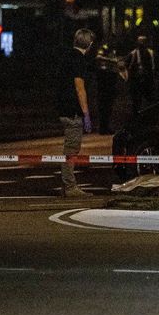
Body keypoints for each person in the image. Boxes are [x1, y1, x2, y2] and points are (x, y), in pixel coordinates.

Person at [55, 28, 95, 197]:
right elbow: (80, 89)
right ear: (90, 44)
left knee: (69, 149)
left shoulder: (66, 57)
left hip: (63, 107)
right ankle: (70, 187)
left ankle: (68, 185)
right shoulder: (79, 61)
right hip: (73, 111)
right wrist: (86, 114)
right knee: (71, 150)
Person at [125, 34, 158, 117]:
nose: (142, 45)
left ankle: (149, 116)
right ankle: (136, 117)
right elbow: (126, 66)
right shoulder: (133, 54)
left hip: (148, 80)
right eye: (140, 43)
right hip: (136, 81)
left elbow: (155, 66)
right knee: (136, 101)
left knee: (150, 100)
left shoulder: (151, 53)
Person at [93, 41, 121, 134]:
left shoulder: (113, 50)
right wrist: (112, 61)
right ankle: (102, 127)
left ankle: (106, 126)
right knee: (103, 104)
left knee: (109, 104)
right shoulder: (104, 48)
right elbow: (98, 57)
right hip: (104, 78)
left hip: (111, 78)